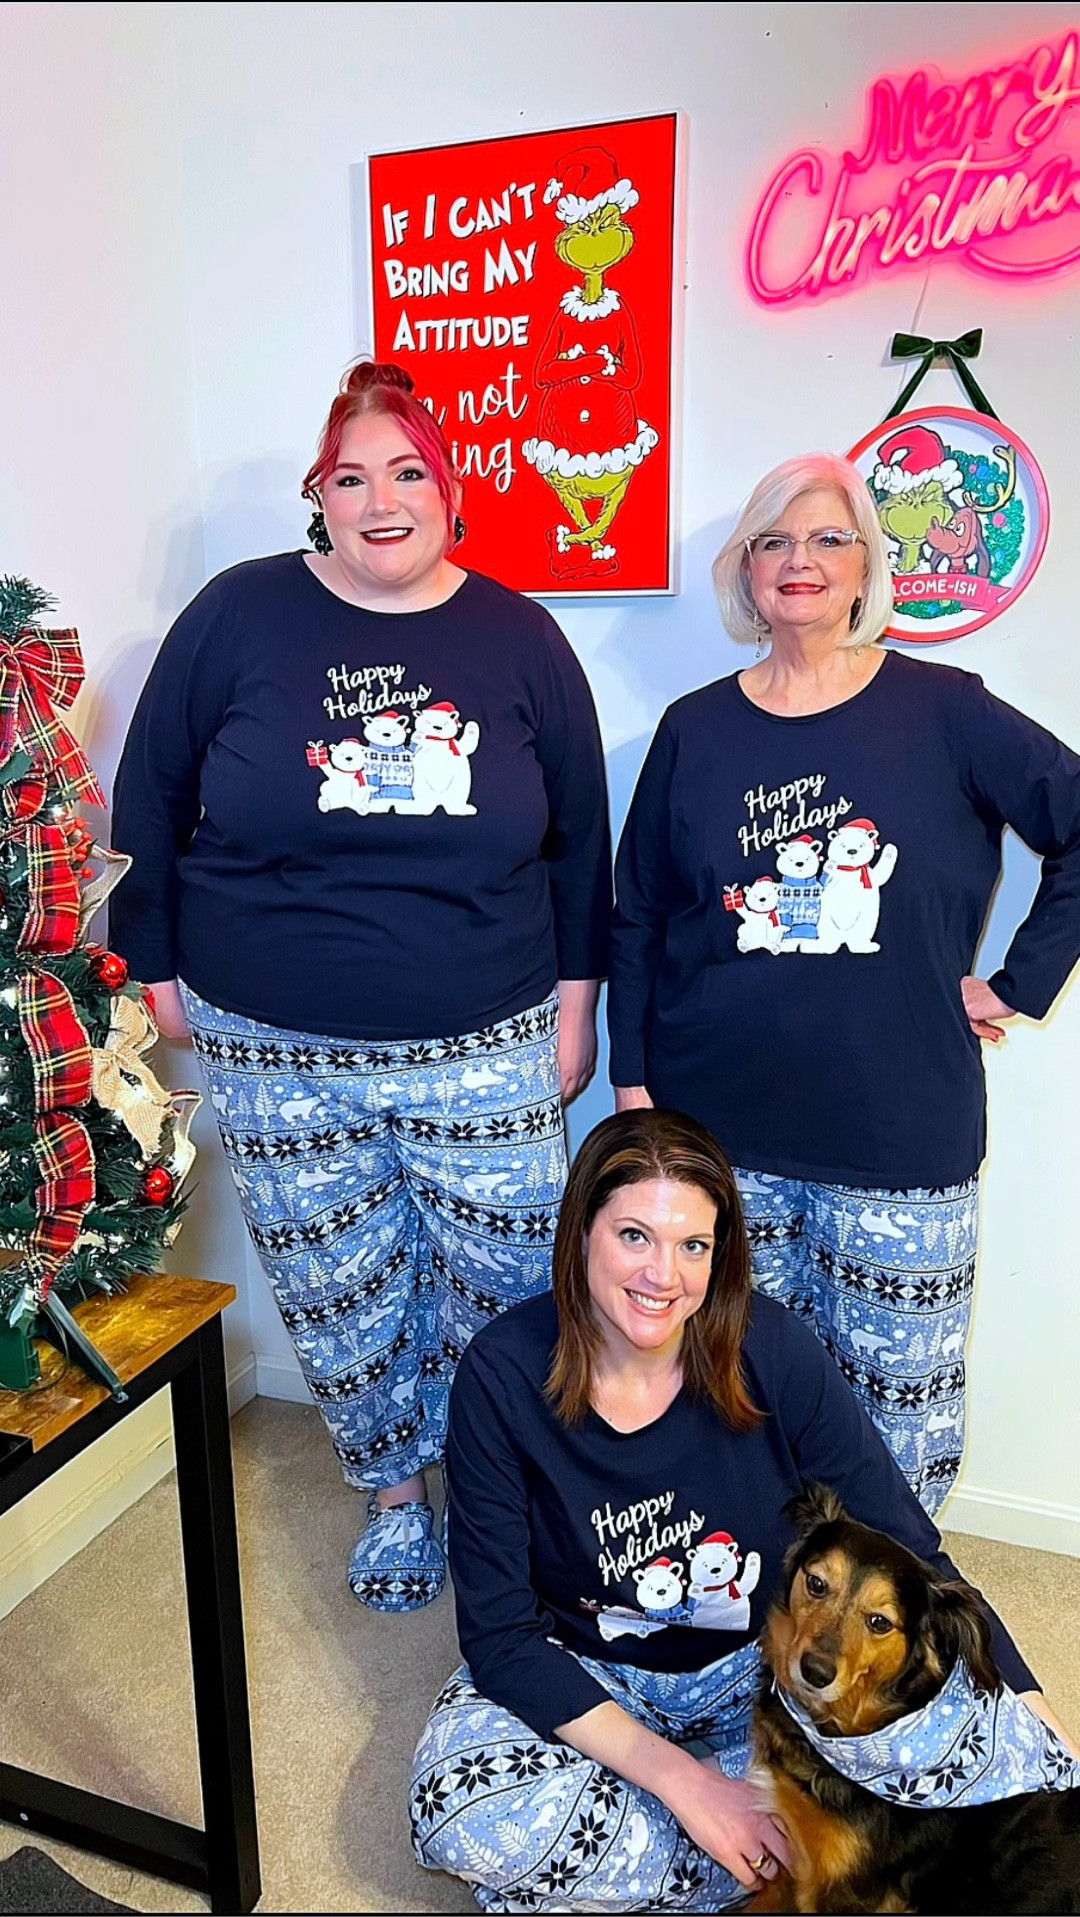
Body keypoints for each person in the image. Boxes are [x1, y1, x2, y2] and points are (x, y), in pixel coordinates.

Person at [110, 359, 610, 1612]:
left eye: (409, 471)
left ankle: (509, 1500)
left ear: (450, 489)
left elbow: (581, 840)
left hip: (483, 1030)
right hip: (271, 1035)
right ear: (317, 497)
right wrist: (154, 961)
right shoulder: (238, 615)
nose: (382, 499)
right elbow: (151, 796)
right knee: (341, 1281)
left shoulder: (518, 635)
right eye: (351, 476)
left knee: (509, 1284)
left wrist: (577, 1005)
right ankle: (395, 1494)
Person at [411, 1110, 1073, 1912]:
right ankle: (780, 1859)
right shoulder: (500, 1373)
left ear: (720, 1253)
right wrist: (688, 1787)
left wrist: (1046, 1738)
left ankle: (641, 1875)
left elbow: (911, 1552)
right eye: (634, 1236)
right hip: (592, 1666)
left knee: (980, 1772)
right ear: (581, 1228)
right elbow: (499, 1634)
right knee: (453, 1808)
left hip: (773, 1665)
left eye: (693, 1245)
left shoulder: (773, 1348)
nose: (663, 1275)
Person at [607, 452, 1080, 1513]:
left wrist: (1018, 980)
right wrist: (633, 1086)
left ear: (867, 568)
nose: (799, 561)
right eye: (773, 541)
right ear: (744, 573)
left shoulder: (947, 711)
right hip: (717, 1136)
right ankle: (755, 1600)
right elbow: (638, 915)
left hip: (900, 1139)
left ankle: (891, 1613)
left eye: (827, 538)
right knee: (730, 1391)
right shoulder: (694, 729)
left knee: (895, 1418)